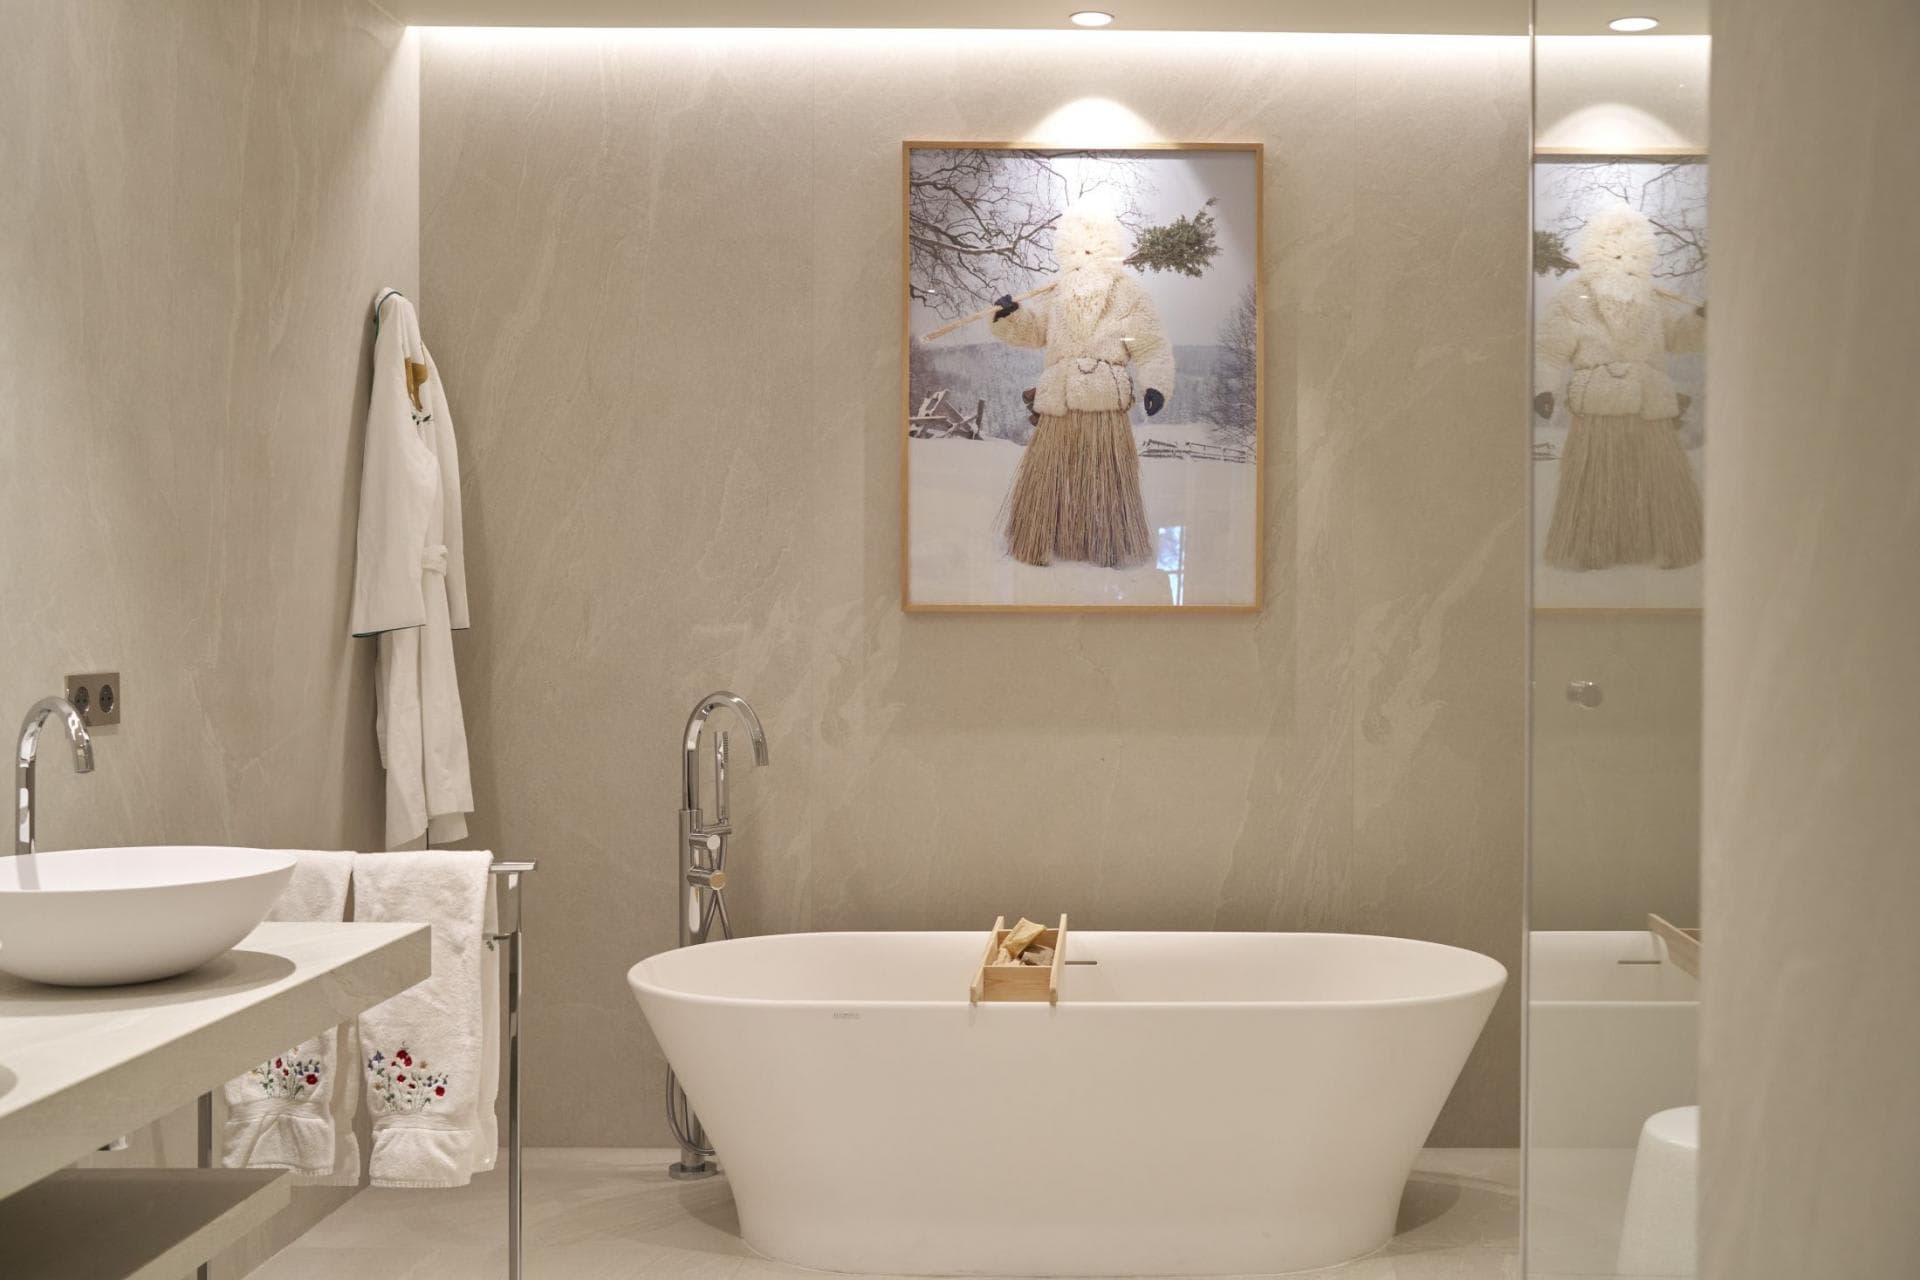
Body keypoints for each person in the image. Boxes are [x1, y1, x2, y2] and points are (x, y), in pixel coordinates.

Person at [988, 208, 1174, 568]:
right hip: (1059, 402)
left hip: (1104, 405)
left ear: (1105, 250)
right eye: (1075, 252)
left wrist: (1156, 384)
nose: (1081, 259)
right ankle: (1041, 538)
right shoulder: (1055, 293)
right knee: (1048, 477)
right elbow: (1034, 331)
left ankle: (1107, 544)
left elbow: (1150, 344)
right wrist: (1010, 316)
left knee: (1105, 479)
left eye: (1089, 251)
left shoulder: (1128, 293)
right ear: (1066, 252)